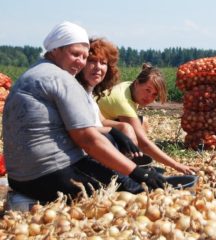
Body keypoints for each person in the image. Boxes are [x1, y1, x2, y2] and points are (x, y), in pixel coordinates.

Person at [2, 21, 165, 203]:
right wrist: (136, 171)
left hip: (19, 178)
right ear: (55, 49)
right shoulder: (60, 78)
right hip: (49, 174)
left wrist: (113, 132)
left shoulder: (34, 72)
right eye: (75, 54)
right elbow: (87, 139)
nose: (80, 62)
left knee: (114, 160)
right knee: (126, 187)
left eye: (84, 56)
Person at [98, 63, 198, 175]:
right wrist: (176, 165)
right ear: (137, 83)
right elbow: (144, 143)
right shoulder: (123, 102)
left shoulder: (129, 87)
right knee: (128, 130)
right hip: (95, 127)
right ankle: (128, 168)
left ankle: (138, 158)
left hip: (106, 121)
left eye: (154, 94)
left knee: (143, 122)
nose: (149, 97)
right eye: (147, 90)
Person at [76, 37, 141, 158]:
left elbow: (100, 121)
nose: (98, 67)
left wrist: (123, 126)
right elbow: (80, 130)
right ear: (81, 64)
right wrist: (112, 131)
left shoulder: (89, 92)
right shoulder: (75, 92)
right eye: (92, 61)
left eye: (103, 63)